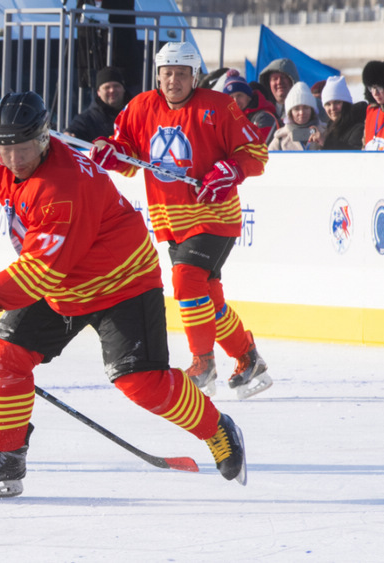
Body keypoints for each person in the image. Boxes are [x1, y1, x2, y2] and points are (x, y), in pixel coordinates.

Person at [0, 91, 247, 497]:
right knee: (4, 358)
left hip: (122, 284)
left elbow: (42, 269)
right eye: (4, 149)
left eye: (24, 149)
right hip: (60, 285)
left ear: (44, 140)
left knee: (142, 382)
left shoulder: (64, 185)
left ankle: (216, 428)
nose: (13, 160)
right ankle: (7, 458)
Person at [89, 41, 273, 400]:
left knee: (186, 279)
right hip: (171, 222)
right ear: (158, 76)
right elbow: (128, 155)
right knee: (208, 300)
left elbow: (256, 153)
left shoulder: (218, 107)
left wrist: (231, 169)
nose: (173, 81)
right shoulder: (141, 106)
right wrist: (111, 153)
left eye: (181, 74)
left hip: (214, 217)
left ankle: (202, 363)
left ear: (194, 76)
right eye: (167, 74)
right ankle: (248, 359)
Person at [64, 66, 131, 142]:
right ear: (98, 92)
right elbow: (73, 131)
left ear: (123, 88)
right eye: (107, 87)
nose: (112, 90)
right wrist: (68, 135)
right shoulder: (88, 119)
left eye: (116, 86)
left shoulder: (136, 113)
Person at [219, 69, 279, 144]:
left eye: (239, 95)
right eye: (231, 97)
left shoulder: (264, 118)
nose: (235, 100)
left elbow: (262, 148)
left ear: (248, 97)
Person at [308, 75, 367, 151]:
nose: (332, 108)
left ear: (346, 104)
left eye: (337, 102)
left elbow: (354, 157)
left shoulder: (358, 128)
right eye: (328, 104)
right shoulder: (328, 129)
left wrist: (325, 142)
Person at [268, 81, 326, 151]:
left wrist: (324, 143)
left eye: (306, 107)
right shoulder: (280, 139)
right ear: (290, 112)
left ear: (312, 110)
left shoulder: (326, 133)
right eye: (296, 109)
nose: (301, 112)